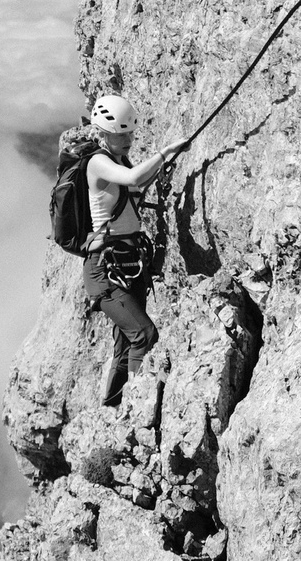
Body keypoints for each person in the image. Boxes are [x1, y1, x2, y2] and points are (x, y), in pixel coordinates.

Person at [76, 94, 189, 407]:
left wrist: (165, 162)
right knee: (144, 335)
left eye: (130, 133)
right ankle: (137, 407)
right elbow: (133, 178)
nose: (128, 139)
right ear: (102, 134)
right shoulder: (98, 162)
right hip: (106, 268)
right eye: (120, 134)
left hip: (128, 263)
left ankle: (113, 407)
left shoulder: (118, 160)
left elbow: (136, 186)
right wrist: (165, 153)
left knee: (127, 342)